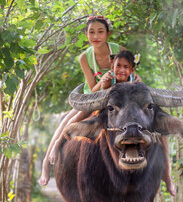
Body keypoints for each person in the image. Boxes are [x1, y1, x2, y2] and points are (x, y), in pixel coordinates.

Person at [40, 16, 129, 186]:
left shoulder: (119, 51)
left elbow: (128, 72)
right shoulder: (84, 57)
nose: (96, 36)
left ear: (108, 34)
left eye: (100, 32)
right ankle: (50, 156)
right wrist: (102, 82)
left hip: (119, 96)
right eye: (92, 32)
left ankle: (164, 173)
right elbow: (92, 87)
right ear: (86, 34)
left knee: (149, 115)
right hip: (94, 97)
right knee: (69, 120)